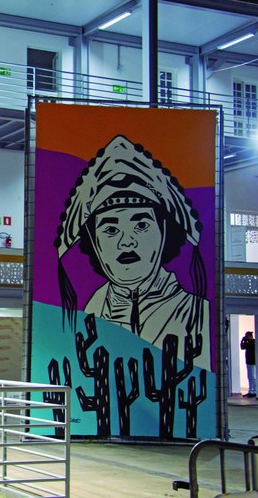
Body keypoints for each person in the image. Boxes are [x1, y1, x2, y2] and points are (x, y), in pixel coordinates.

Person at [55, 135, 210, 370]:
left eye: (141, 225)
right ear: (94, 242)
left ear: (164, 232)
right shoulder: (91, 312)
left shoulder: (197, 313)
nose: (126, 243)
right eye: (110, 229)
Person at [240, 331, 257, 398]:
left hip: (252, 362)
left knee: (253, 377)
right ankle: (251, 391)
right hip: (249, 361)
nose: (246, 337)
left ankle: (254, 391)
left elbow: (244, 347)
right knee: (250, 377)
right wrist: (243, 341)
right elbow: (242, 347)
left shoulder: (253, 342)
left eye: (247, 336)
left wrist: (244, 341)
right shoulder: (249, 342)